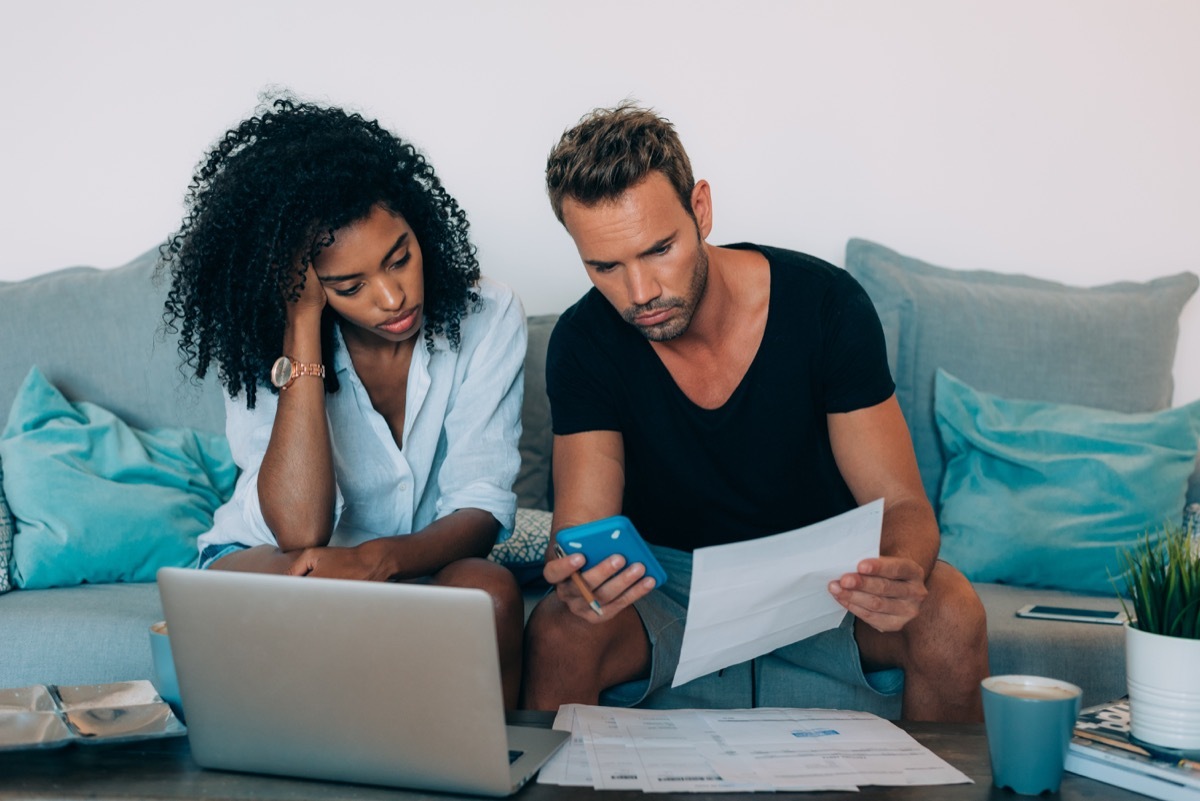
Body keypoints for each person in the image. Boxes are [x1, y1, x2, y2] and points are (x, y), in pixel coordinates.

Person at [522, 103, 989, 721]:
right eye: (605, 266)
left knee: (951, 606)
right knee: (559, 628)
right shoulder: (584, 341)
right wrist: (575, 575)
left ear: (701, 210)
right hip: (673, 589)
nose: (639, 295)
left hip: (823, 584)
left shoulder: (826, 305)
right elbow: (580, 527)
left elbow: (903, 505)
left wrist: (899, 572)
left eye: (659, 249)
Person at [160, 97, 527, 707]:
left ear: (419, 227)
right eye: (349, 286)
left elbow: (481, 506)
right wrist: (302, 322)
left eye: (400, 257)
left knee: (490, 593)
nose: (391, 297)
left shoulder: (487, 317)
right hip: (275, 557)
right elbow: (300, 528)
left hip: (407, 559)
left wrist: (378, 562)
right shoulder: (262, 340)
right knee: (308, 587)